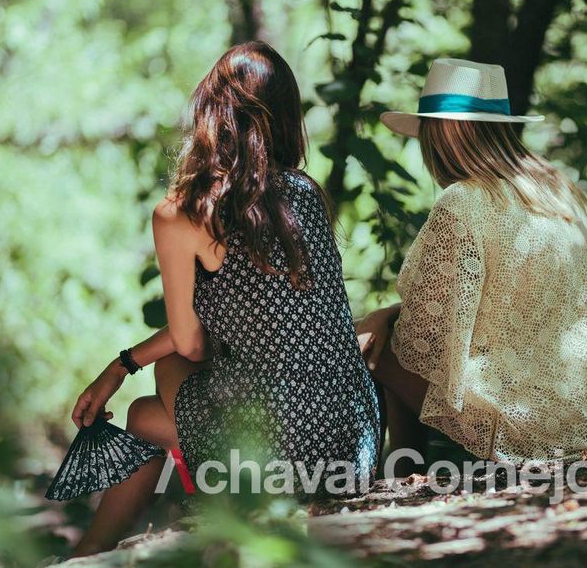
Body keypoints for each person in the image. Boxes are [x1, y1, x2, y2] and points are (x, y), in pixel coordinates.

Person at [68, 41, 380, 557]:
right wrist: (121, 366)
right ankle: (97, 546)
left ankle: (96, 549)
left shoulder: (185, 211)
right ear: (286, 116)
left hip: (281, 453)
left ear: (211, 113)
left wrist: (122, 366)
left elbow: (190, 343)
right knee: (149, 411)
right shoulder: (304, 192)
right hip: (353, 438)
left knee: (156, 394)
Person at [356, 58, 587, 476]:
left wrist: (381, 321)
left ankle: (404, 475)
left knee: (382, 349)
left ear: (443, 135)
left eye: (428, 135)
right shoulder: (554, 188)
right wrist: (388, 314)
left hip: (524, 421)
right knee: (395, 335)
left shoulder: (463, 201)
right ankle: (413, 470)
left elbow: (425, 329)